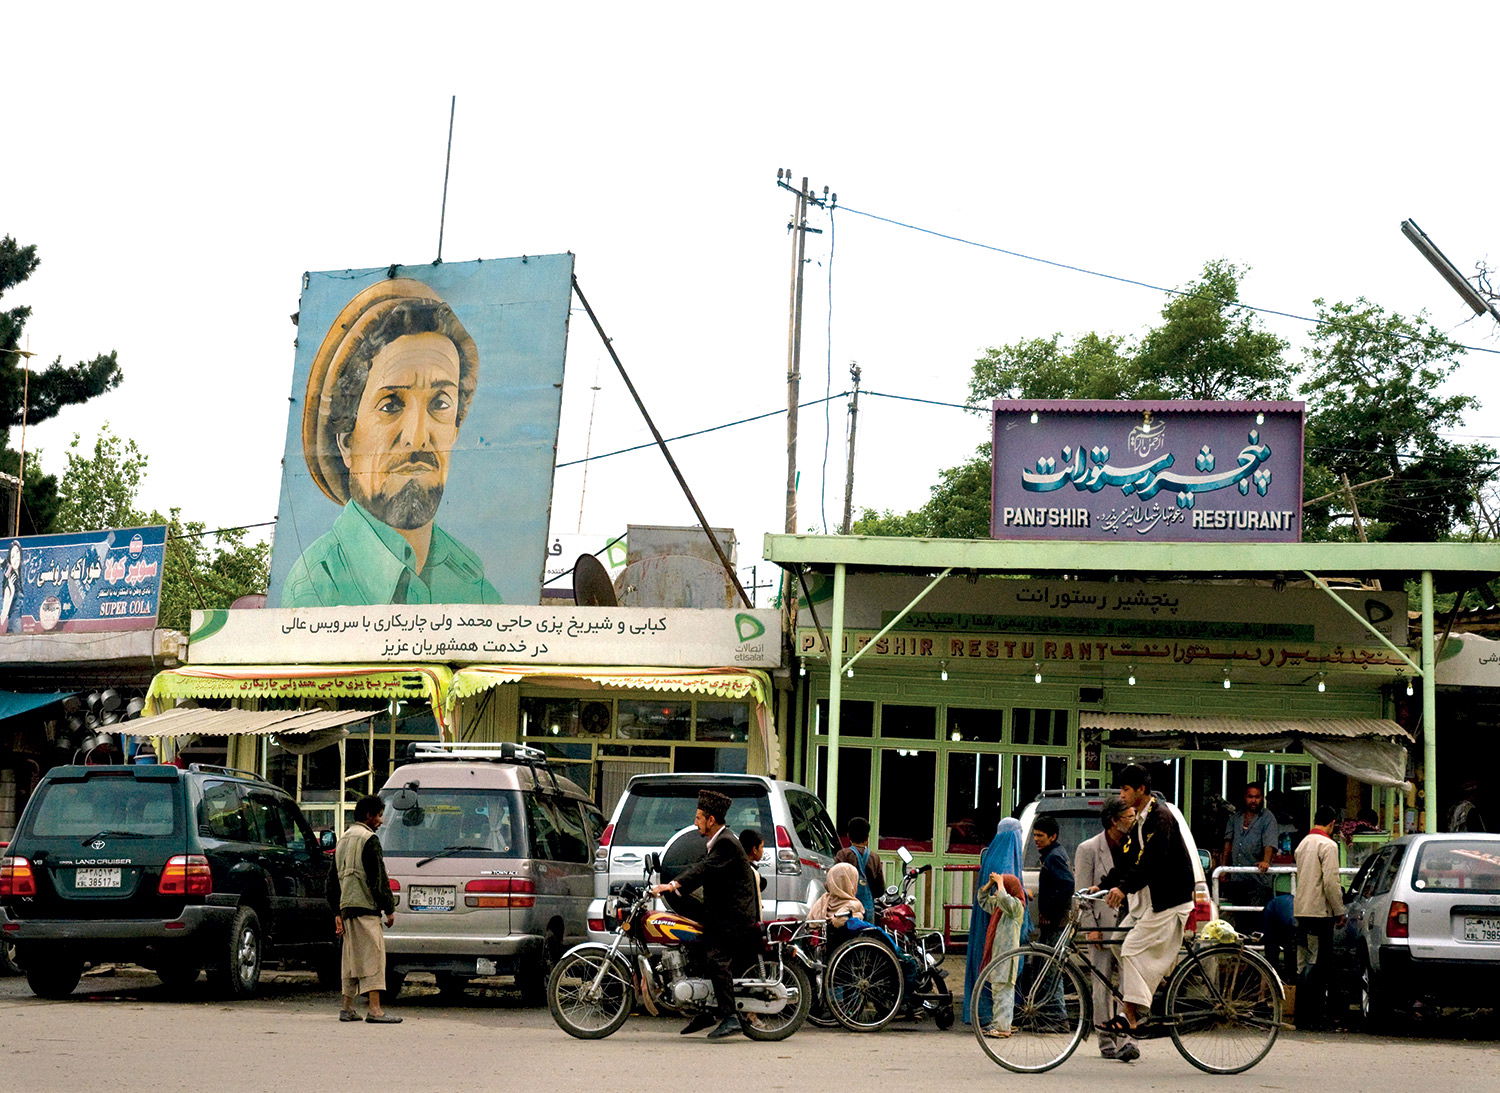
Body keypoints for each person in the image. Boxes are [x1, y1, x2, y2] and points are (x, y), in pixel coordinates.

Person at [281, 278, 500, 607]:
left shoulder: (476, 589)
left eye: (440, 404)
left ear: (455, 430)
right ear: (345, 442)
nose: (417, 436)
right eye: (391, 405)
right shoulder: (317, 586)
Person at [649, 790, 760, 1040]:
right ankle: (706, 1011)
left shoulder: (726, 843)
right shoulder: (718, 842)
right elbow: (699, 868)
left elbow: (703, 869)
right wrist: (676, 888)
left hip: (733, 917)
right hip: (721, 911)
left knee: (715, 957)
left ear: (711, 820)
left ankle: (730, 1017)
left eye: (699, 818)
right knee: (694, 949)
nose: (695, 822)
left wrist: (672, 885)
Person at [1101, 765, 1196, 1041]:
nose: (1122, 795)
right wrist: (1105, 884)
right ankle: (1143, 996)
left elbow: (1152, 861)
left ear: (1141, 789)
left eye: (1126, 789)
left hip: (1168, 902)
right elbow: (1130, 860)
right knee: (1118, 943)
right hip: (1148, 903)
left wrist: (1124, 888)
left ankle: (1131, 1017)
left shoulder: (1160, 817)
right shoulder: (1141, 820)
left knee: (1130, 949)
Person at [326, 795, 401, 1023]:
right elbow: (378, 878)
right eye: (378, 815)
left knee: (350, 960)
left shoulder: (344, 839)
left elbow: (332, 880)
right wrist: (389, 908)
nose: (381, 820)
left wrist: (337, 912)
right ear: (369, 815)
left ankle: (347, 1007)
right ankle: (375, 1009)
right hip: (365, 908)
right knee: (373, 957)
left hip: (347, 907)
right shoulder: (369, 839)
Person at [1075, 799, 1138, 1061]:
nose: (1133, 820)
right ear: (1114, 820)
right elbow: (1082, 893)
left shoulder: (1134, 846)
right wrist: (1091, 928)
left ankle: (1127, 1039)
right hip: (1101, 925)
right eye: (1128, 815)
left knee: (1129, 984)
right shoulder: (1088, 849)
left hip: (1128, 925)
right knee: (1101, 985)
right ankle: (1105, 1038)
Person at [964, 817, 1028, 1024]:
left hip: (993, 928)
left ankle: (995, 1020)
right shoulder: (1008, 860)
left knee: (998, 982)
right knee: (1001, 983)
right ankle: (998, 1022)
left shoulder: (992, 854)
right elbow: (1001, 897)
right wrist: (1001, 886)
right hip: (1001, 935)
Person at [1293, 804, 1346, 1030]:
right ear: (1332, 823)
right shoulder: (1328, 845)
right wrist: (1339, 910)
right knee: (1320, 964)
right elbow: (1331, 883)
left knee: (1303, 961)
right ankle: (1315, 1017)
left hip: (1301, 910)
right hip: (1320, 912)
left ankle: (1301, 1014)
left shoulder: (1302, 844)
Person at [975, 872, 1027, 1038]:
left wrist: (1000, 883)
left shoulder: (1016, 906)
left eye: (1002, 887)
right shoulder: (1000, 907)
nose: (998, 891)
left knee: (1003, 991)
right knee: (1000, 990)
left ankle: (1002, 1027)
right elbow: (983, 900)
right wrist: (989, 885)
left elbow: (1005, 899)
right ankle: (1004, 1023)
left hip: (1006, 958)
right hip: (998, 956)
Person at [1220, 782, 1277, 917]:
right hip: (1237, 878)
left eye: (1257, 797)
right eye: (1250, 797)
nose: (1253, 801)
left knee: (1255, 919)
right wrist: (1224, 868)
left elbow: (1269, 843)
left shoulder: (1268, 817)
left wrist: (1265, 861)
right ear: (1244, 798)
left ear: (1262, 798)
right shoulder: (1236, 817)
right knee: (1239, 919)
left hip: (1257, 880)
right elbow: (1228, 843)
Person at [1031, 815, 1074, 946]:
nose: (1036, 839)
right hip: (1054, 922)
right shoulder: (1053, 853)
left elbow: (1067, 884)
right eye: (1035, 835)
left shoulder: (1054, 857)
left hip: (1055, 923)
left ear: (1052, 837)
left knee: (1049, 961)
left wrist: (1049, 913)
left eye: (1040, 835)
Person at [833, 816, 884, 918]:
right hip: (867, 908)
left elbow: (834, 883)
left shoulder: (843, 854)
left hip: (846, 909)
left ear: (848, 836)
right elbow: (879, 890)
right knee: (868, 933)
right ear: (867, 837)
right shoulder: (874, 858)